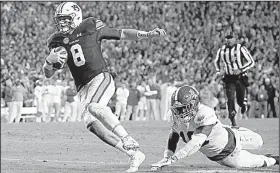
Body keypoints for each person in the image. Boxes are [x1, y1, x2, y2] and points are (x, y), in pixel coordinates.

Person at [43, 2, 166, 172]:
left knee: (95, 107)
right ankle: (134, 155)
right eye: (60, 20)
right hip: (83, 88)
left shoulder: (90, 25)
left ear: (76, 16)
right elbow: (48, 73)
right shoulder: (56, 40)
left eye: (65, 19)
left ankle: (127, 137)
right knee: (92, 124)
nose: (62, 23)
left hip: (100, 77)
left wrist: (147, 34)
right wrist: (48, 62)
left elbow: (121, 33)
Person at [151, 85, 279, 171]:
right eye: (177, 109)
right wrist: (167, 156)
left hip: (233, 135)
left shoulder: (205, 113)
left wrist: (173, 159)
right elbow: (174, 136)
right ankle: (274, 159)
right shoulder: (173, 116)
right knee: (262, 161)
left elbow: (195, 144)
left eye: (183, 108)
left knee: (259, 141)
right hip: (226, 155)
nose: (180, 113)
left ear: (193, 104)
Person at [214, 30, 255, 126]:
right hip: (229, 78)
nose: (228, 40)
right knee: (230, 98)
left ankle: (243, 104)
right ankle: (232, 119)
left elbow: (251, 62)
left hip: (240, 77)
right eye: (227, 38)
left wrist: (241, 69)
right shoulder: (222, 50)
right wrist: (218, 71)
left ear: (235, 39)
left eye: (230, 38)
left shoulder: (240, 48)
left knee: (240, 100)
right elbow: (216, 61)